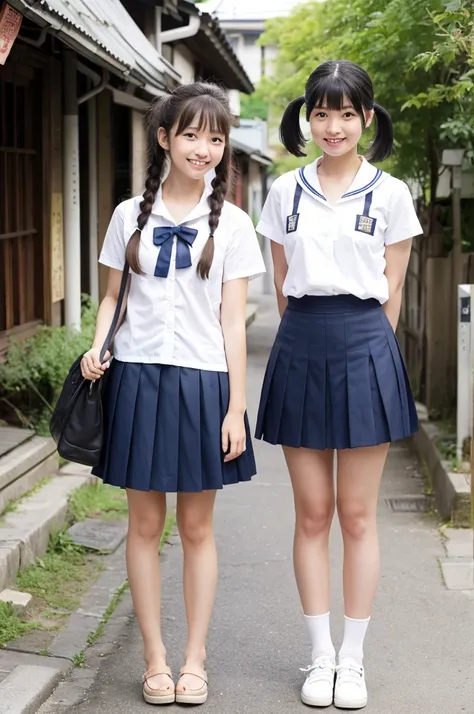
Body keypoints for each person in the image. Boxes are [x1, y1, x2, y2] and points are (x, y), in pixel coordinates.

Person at [81, 82, 265, 706]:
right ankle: (154, 659)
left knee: (196, 526)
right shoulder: (127, 215)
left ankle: (195, 659)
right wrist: (96, 346)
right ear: (164, 138)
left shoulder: (234, 224)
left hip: (202, 381)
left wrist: (237, 405)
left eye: (216, 138)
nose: (204, 148)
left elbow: (233, 321)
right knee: (143, 523)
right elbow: (112, 297)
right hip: (135, 375)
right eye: (191, 134)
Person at [255, 60, 422, 710]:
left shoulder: (391, 194)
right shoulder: (281, 192)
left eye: (346, 113)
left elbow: (395, 294)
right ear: (307, 118)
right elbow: (280, 284)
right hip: (301, 342)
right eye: (321, 113)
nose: (332, 126)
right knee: (313, 513)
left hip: (365, 344)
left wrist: (370, 355)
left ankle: (353, 662)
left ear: (367, 119)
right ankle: (319, 655)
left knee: (356, 515)